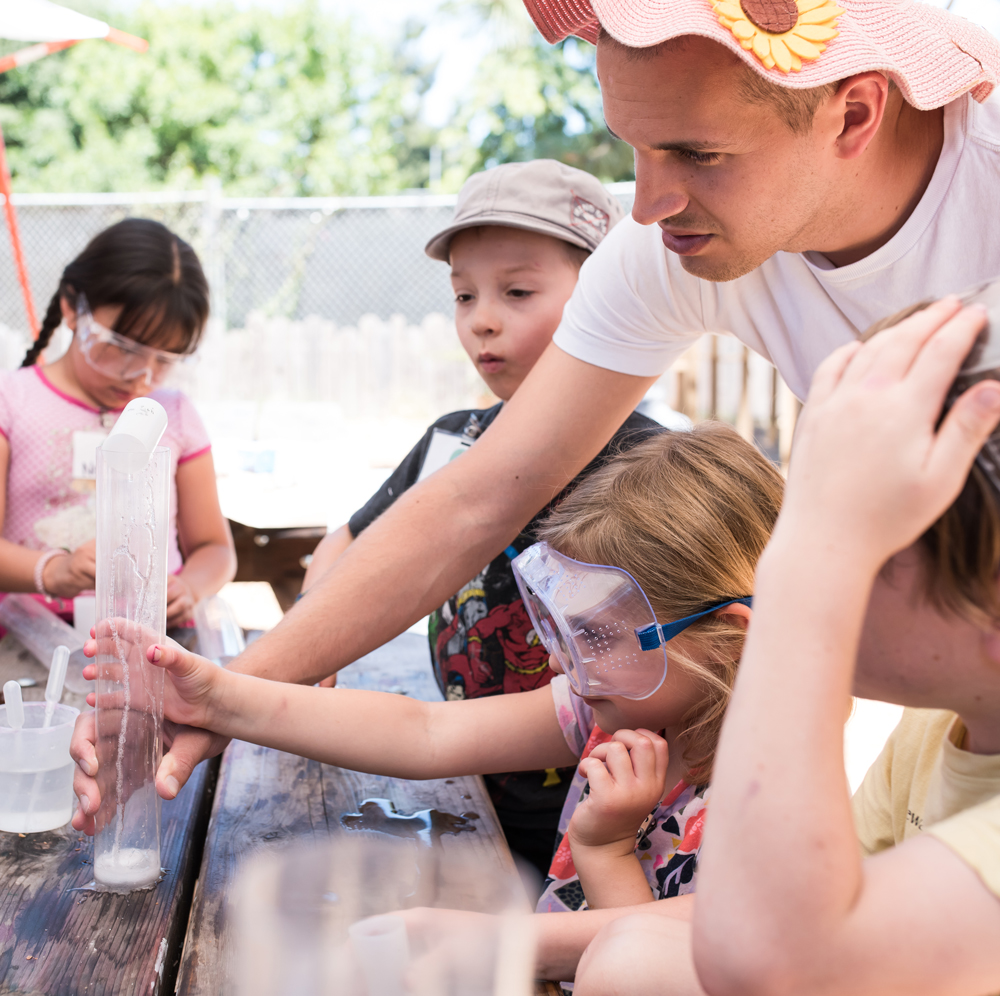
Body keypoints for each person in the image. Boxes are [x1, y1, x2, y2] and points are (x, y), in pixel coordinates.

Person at [70, 0, 1000, 821]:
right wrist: (212, 697)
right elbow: (481, 493)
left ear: (855, 110)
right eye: (632, 147)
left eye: (696, 154)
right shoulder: (670, 243)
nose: (648, 202)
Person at [72, 424, 782, 986]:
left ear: (723, 642)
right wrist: (221, 696)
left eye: (596, 635)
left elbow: (656, 966)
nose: (566, 662)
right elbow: (427, 732)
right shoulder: (610, 708)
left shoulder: (772, 806)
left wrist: (598, 853)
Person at [572, 296, 1000, 996]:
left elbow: (772, 966)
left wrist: (806, 579)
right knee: (633, 950)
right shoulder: (935, 731)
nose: (786, 550)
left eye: (860, 528)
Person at [300, 159, 662, 879]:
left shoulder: (648, 464)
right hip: (464, 782)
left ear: (606, 293)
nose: (482, 318)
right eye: (464, 295)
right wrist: (319, 639)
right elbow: (348, 541)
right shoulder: (454, 439)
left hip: (613, 814)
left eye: (517, 291)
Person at [0, 218, 236, 629]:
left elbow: (215, 548)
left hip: (149, 639)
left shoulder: (174, 413)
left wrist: (191, 587)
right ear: (73, 307)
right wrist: (54, 571)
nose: (142, 377)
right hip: (31, 638)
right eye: (123, 349)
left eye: (164, 360)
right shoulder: (13, 402)